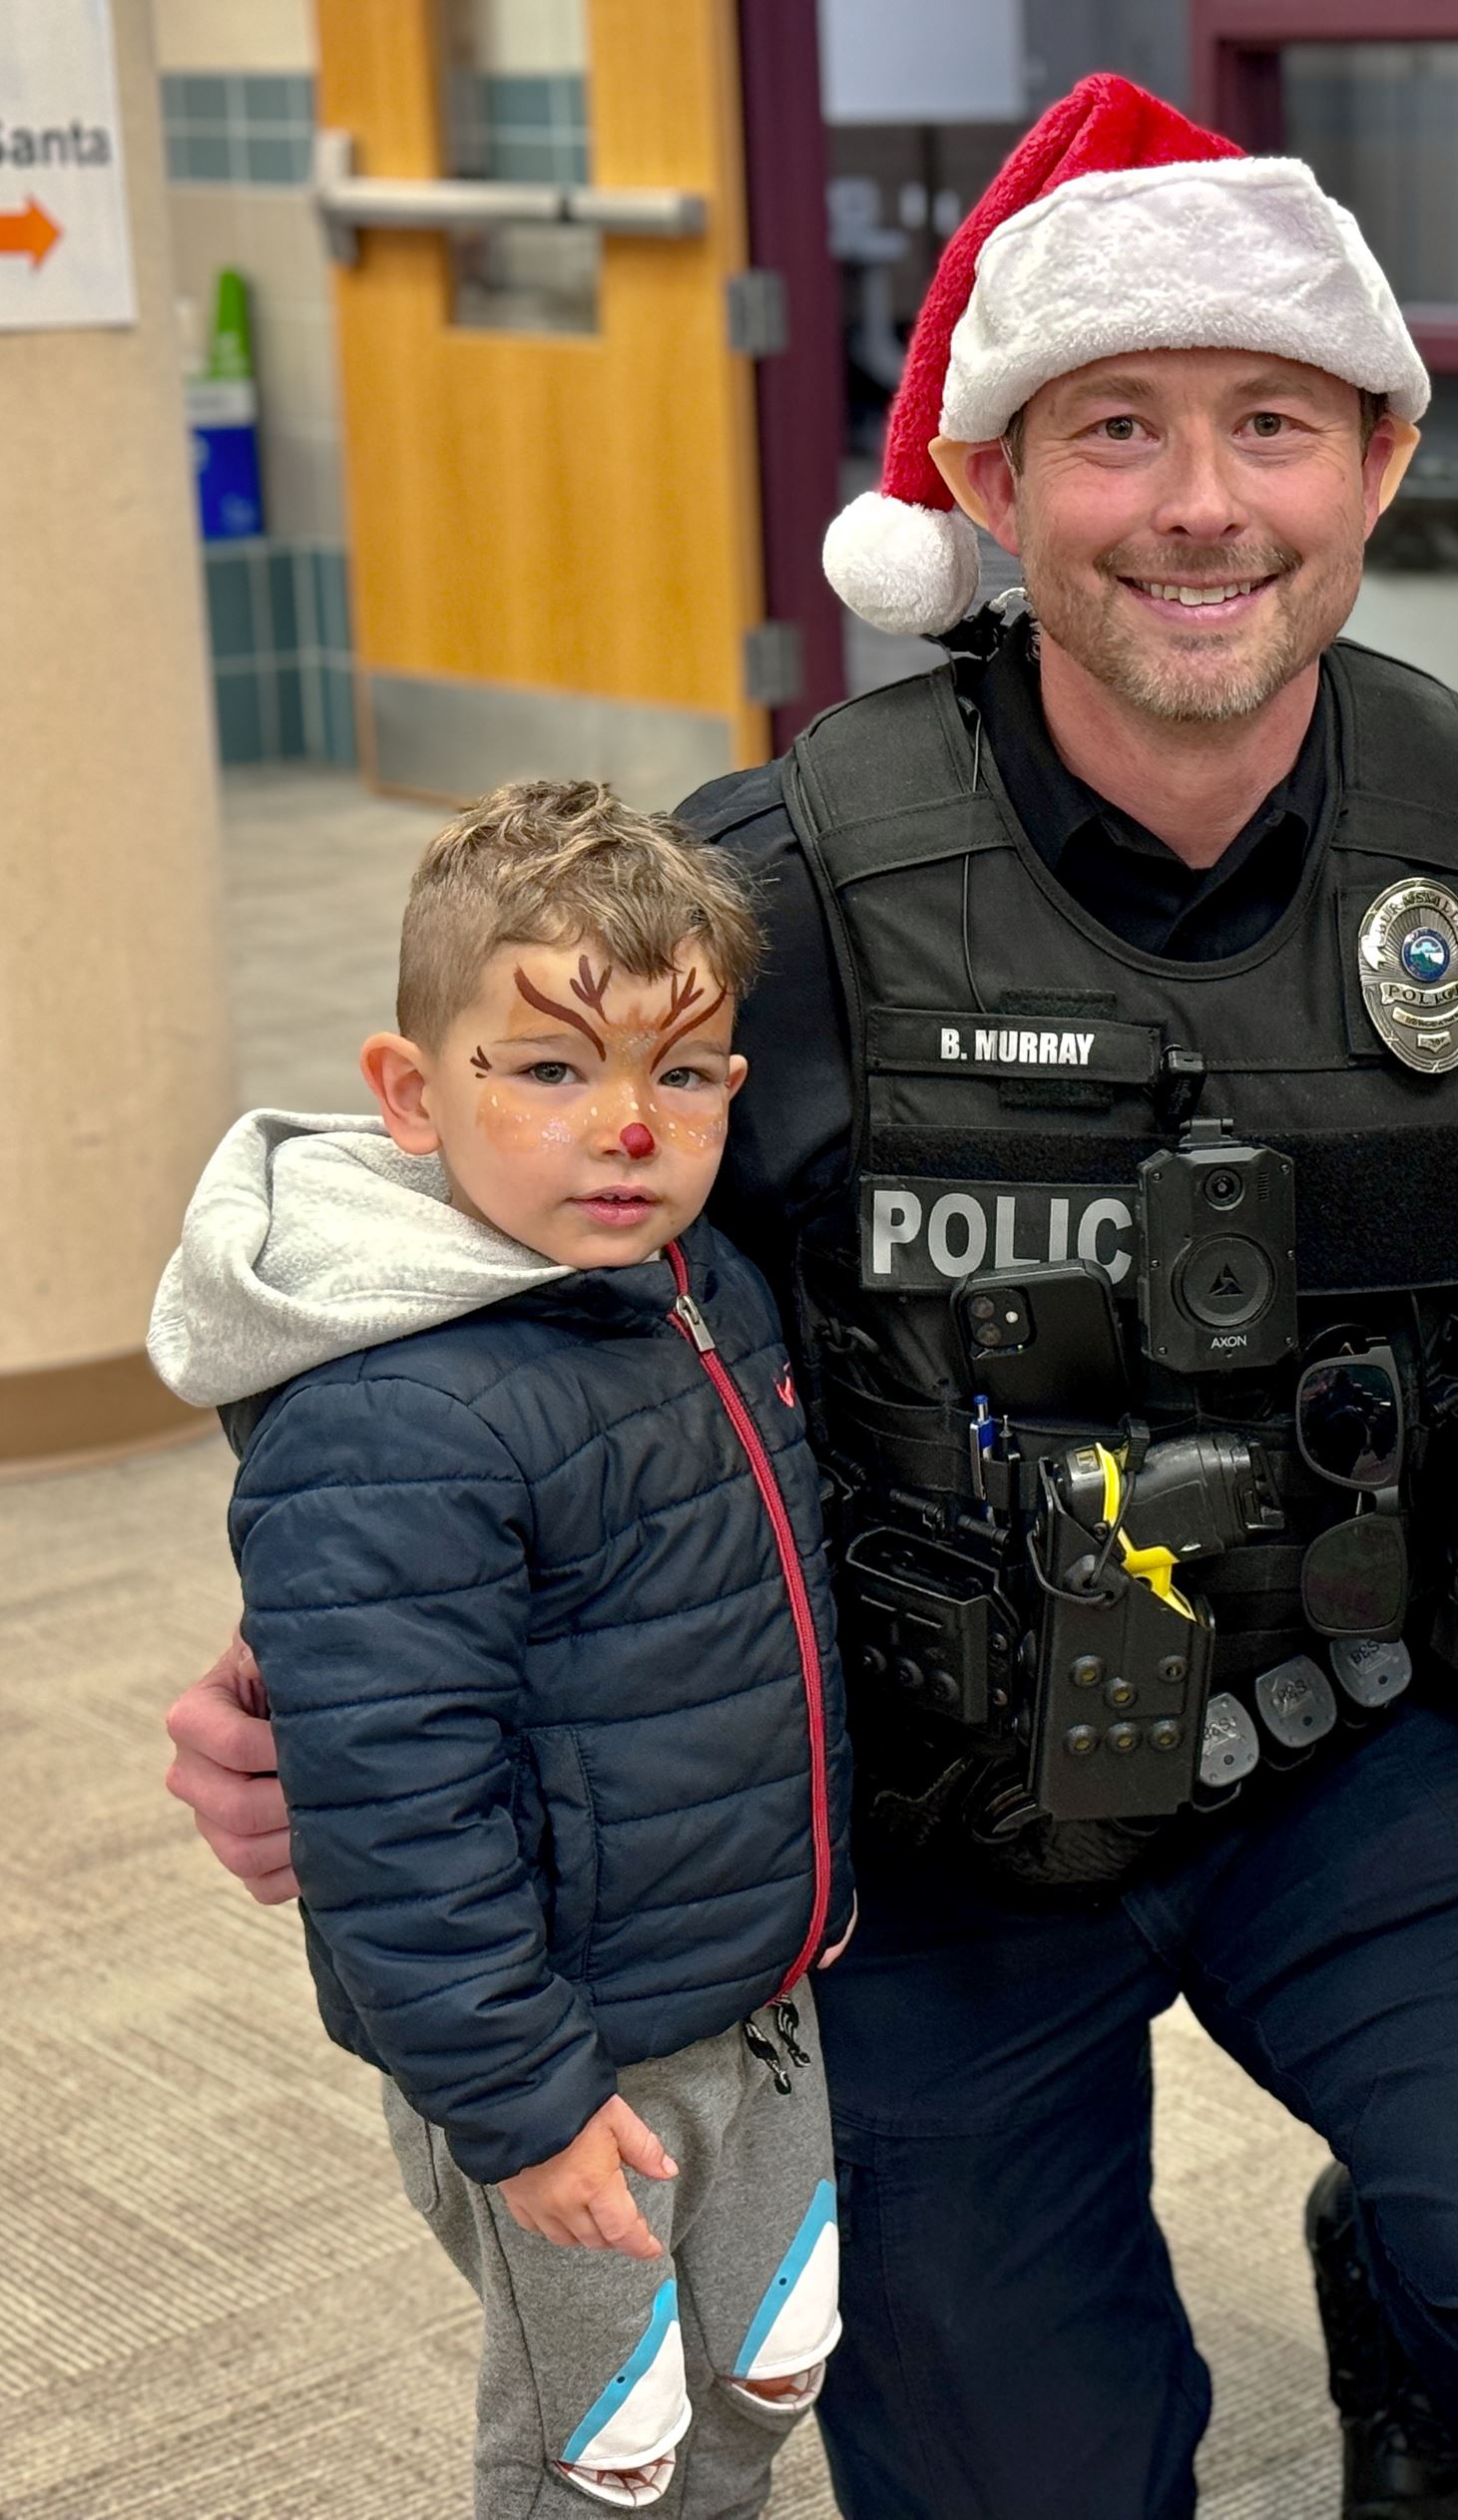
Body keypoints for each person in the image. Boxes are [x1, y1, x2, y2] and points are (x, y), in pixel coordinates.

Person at [163, 76, 1458, 2520]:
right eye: (1115, 428)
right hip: (916, 1818)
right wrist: (331, 1664)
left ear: (1380, 456)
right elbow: (463, 1274)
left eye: (1270, 423)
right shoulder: (759, 898)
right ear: (990, 483)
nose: (1200, 501)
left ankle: (1419, 2337)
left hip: (1367, 1733)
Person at [148, 783, 855, 2518]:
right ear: (410, 1094)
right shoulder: (390, 1418)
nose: (627, 1125)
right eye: (549, 1070)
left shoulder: (696, 1284)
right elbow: (395, 1816)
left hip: (750, 1993)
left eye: (678, 1075)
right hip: (561, 2044)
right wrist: (520, 2102)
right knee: (600, 2447)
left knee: (771, 2357)